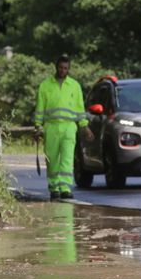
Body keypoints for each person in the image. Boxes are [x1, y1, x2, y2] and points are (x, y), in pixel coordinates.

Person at [34, 55, 93, 200]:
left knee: (67, 159)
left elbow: (80, 109)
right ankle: (54, 188)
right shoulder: (45, 85)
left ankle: (65, 188)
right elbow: (40, 108)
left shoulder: (74, 86)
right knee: (52, 160)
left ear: (69, 69)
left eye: (66, 68)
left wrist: (84, 127)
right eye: (61, 67)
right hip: (51, 127)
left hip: (69, 128)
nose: (63, 70)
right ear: (56, 67)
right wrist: (37, 127)